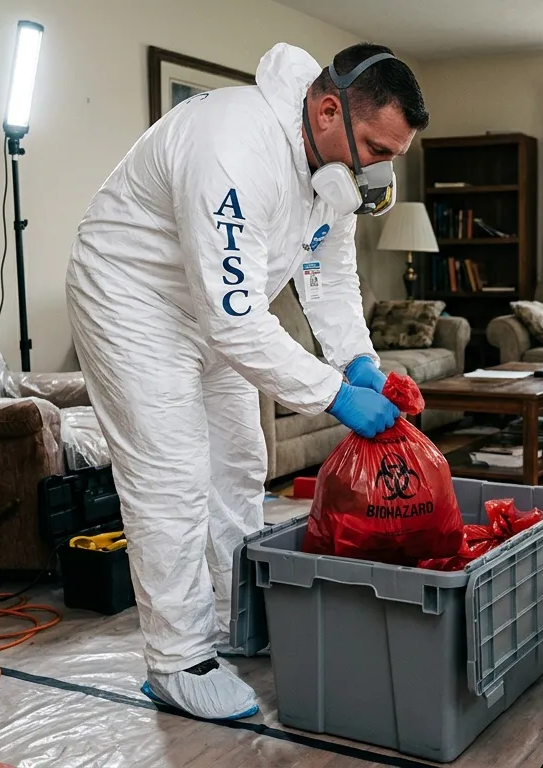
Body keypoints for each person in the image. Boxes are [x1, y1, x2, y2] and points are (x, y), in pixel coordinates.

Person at [65, 41, 428, 720]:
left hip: (217, 312)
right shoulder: (234, 146)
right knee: (172, 475)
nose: (381, 169)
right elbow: (234, 321)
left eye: (393, 155)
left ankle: (234, 618)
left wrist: (359, 361)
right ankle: (178, 660)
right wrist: (333, 395)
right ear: (329, 111)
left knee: (238, 461)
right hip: (134, 301)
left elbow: (328, 274)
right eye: (377, 149)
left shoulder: (330, 169)